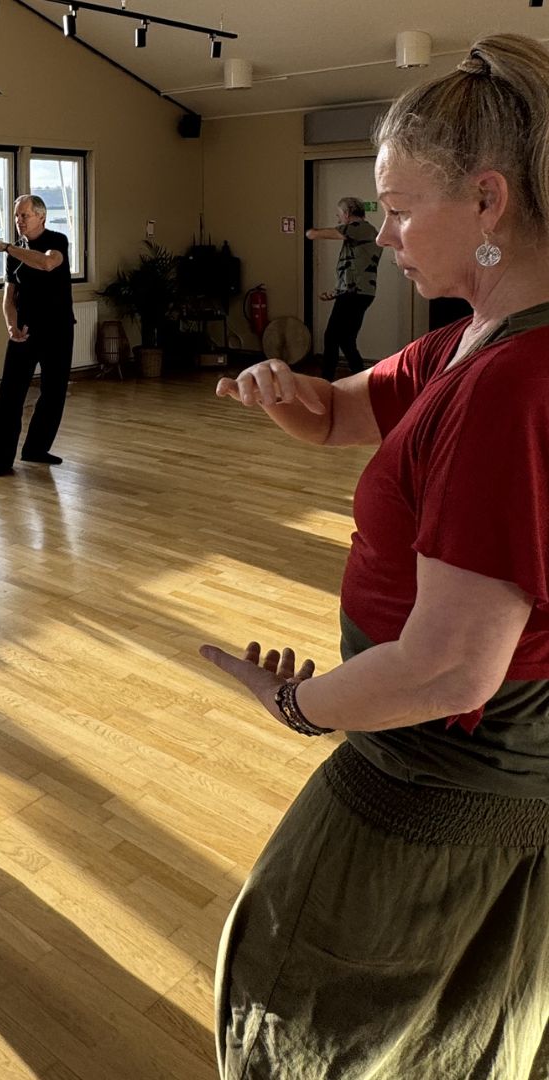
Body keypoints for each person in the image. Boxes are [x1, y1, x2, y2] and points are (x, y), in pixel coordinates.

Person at [204, 34, 549, 1079]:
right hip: (437, 747)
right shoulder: (469, 340)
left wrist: (298, 705)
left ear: (487, 201)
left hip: (450, 768)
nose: (385, 233)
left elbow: (449, 670)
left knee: (304, 1012)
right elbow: (344, 411)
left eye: (399, 209)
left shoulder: (512, 382)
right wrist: (285, 391)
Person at [0, 194, 74, 477]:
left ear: (41, 217)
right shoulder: (14, 254)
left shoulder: (57, 241)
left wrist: (7, 247)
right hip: (24, 331)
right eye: (16, 216)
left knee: (54, 391)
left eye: (24, 215)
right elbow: (9, 297)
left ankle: (36, 448)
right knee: (11, 393)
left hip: (58, 329)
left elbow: (47, 263)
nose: (19, 220)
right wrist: (11, 326)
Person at [306, 196, 382, 381]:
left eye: (339, 214)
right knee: (346, 340)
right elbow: (354, 268)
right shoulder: (362, 233)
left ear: (347, 214)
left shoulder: (360, 228)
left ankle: (326, 382)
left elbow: (323, 234)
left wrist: (311, 232)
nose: (338, 218)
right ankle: (362, 380)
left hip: (354, 294)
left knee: (331, 337)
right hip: (355, 293)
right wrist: (336, 292)